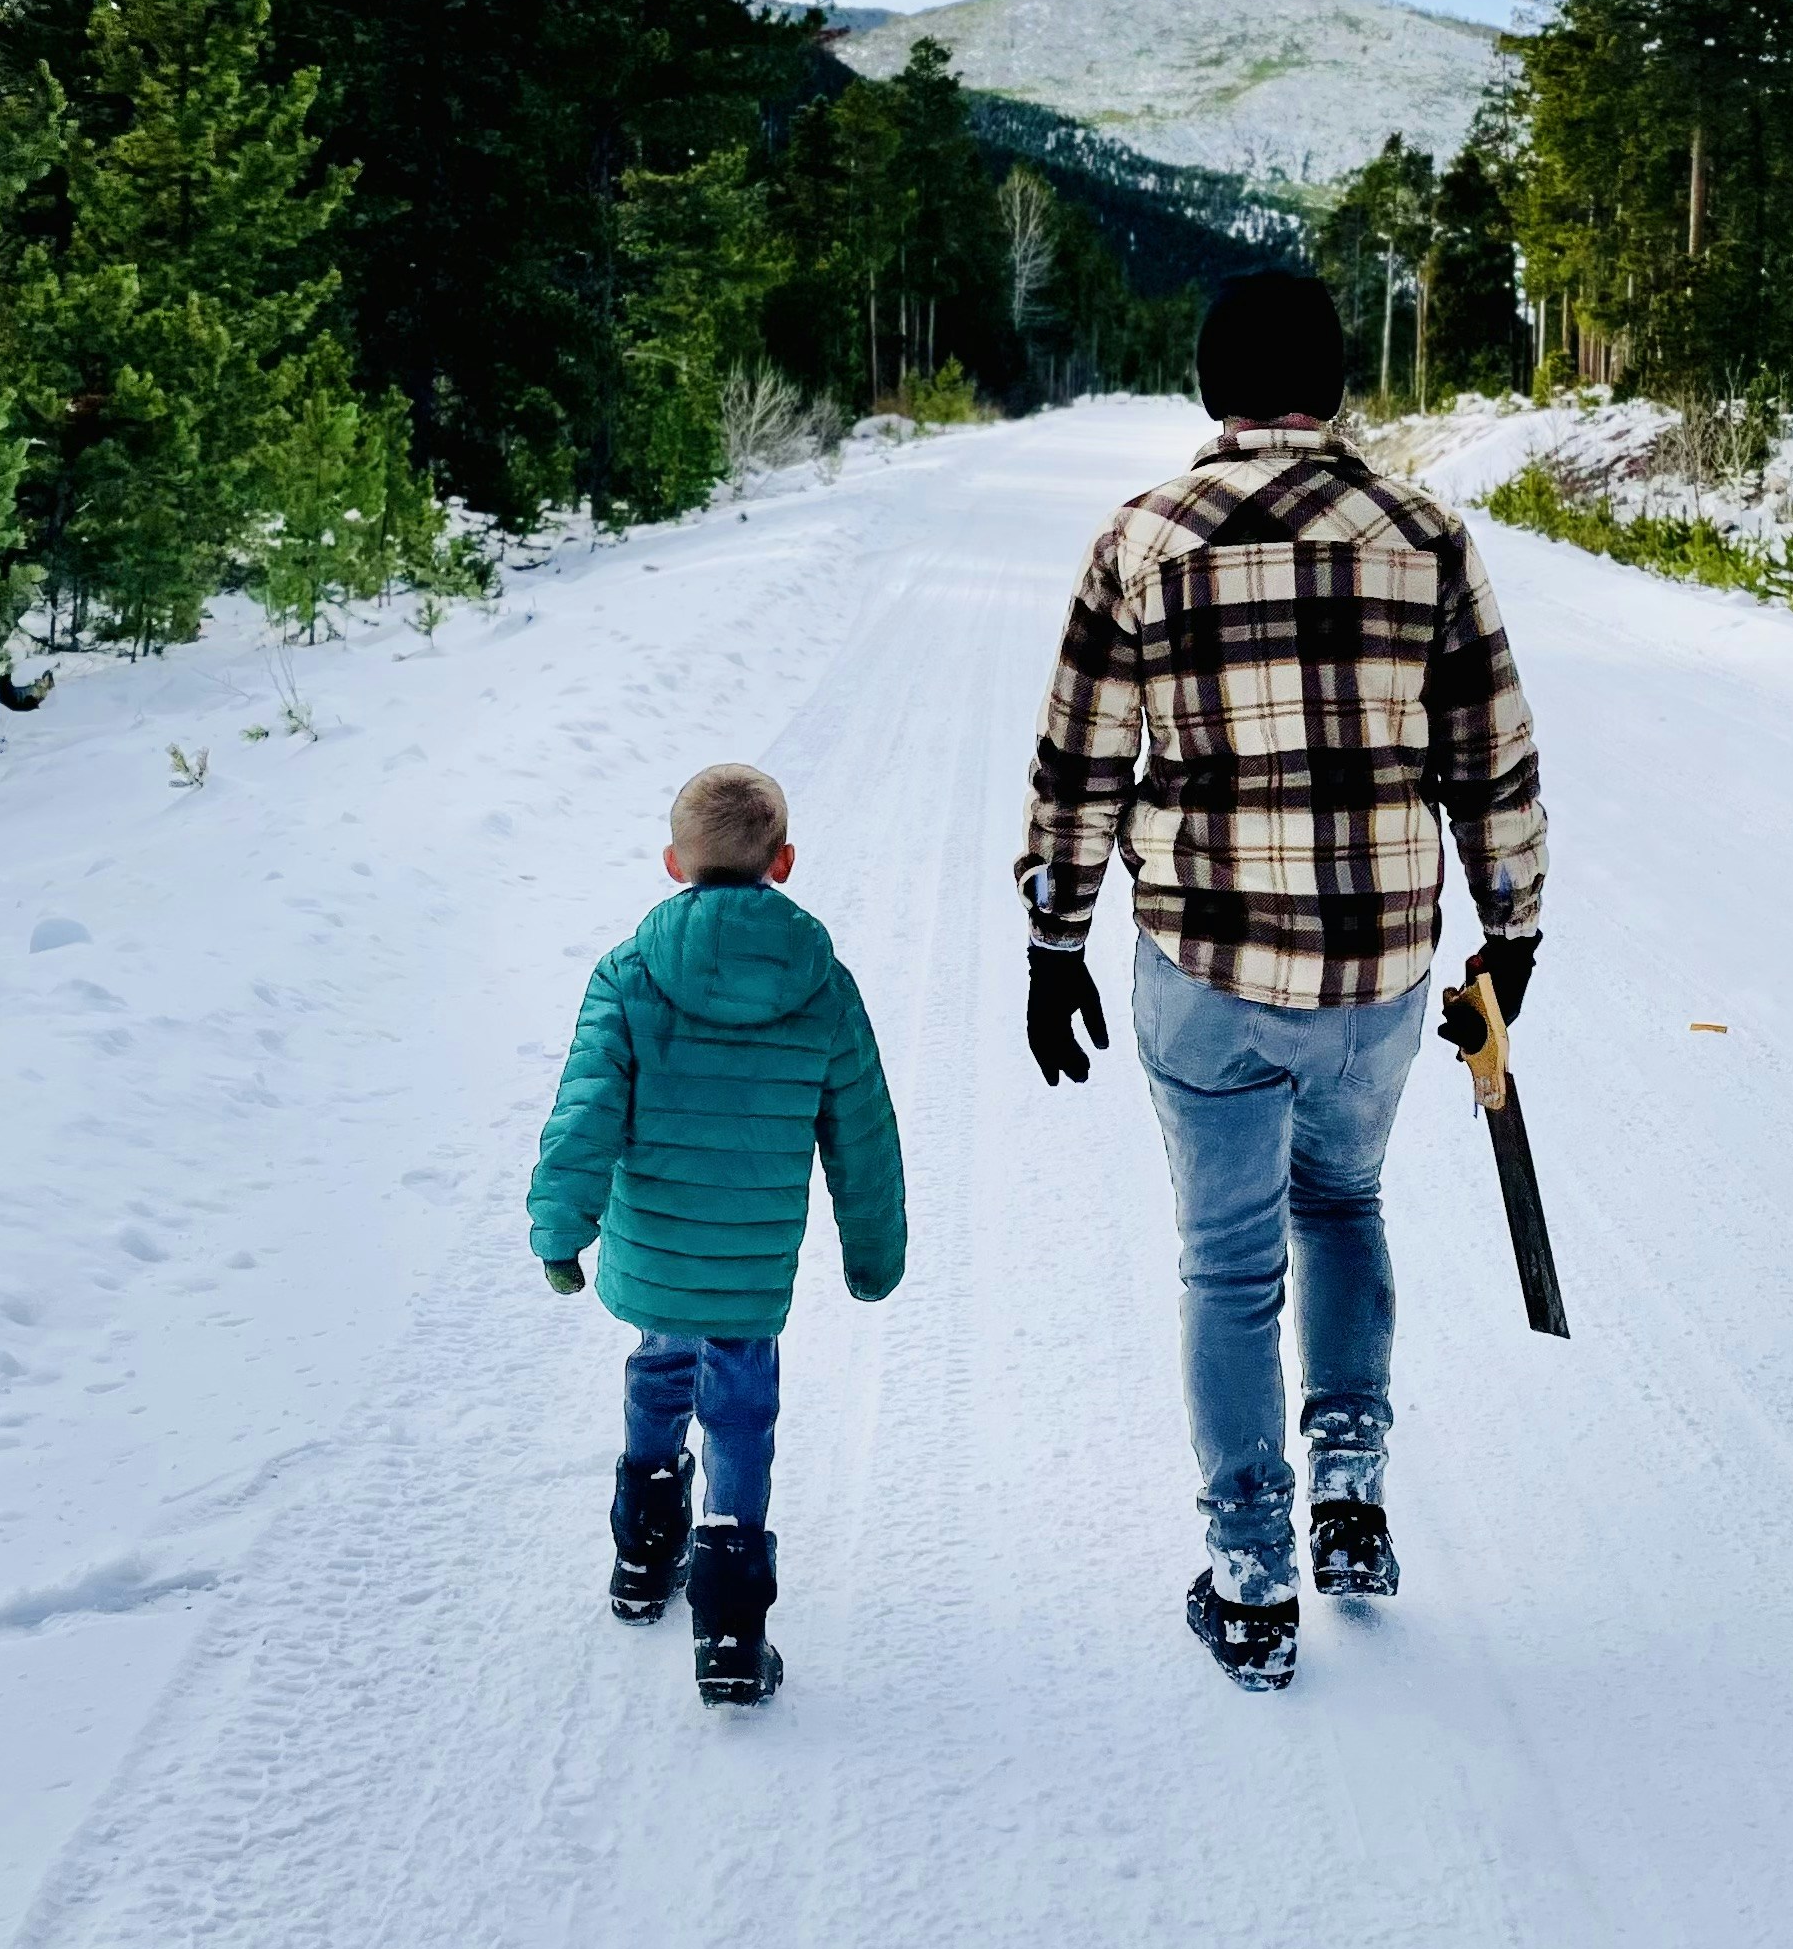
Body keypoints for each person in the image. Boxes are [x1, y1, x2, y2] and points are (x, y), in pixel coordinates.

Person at [1018, 271, 1549, 1690]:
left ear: (1212, 391)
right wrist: (1511, 930)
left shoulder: (1139, 540)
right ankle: (1351, 1496)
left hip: (1202, 957)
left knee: (1229, 1258)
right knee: (1343, 1201)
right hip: (1377, 964)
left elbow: (1081, 759)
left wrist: (1053, 939)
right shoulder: (1424, 533)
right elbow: (1488, 753)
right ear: (1335, 386)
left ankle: (1251, 1578)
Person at [527, 760, 905, 1706]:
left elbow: (584, 1114)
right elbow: (860, 1129)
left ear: (672, 863)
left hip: (653, 1248)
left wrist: (559, 1229)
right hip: (748, 1267)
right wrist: (872, 1249)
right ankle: (732, 1631)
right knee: (740, 1411)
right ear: (783, 861)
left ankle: (642, 1563)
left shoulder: (629, 972)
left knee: (659, 1370)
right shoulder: (822, 983)